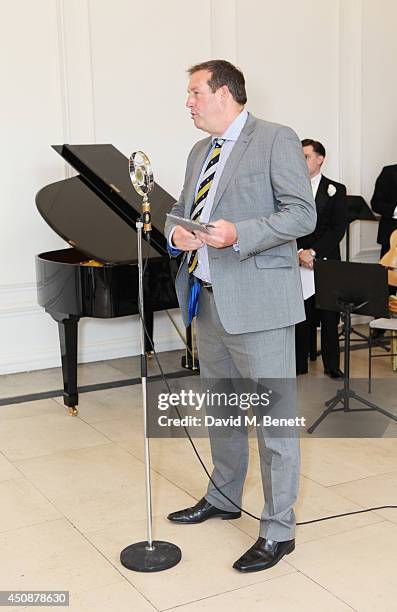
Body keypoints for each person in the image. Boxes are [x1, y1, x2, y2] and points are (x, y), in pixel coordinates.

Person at [164, 60, 316, 573]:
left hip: (262, 305)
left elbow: (302, 213)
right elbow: (183, 210)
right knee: (223, 412)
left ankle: (279, 529)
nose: (187, 102)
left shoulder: (275, 138)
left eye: (194, 92)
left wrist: (239, 234)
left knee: (274, 423)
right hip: (207, 302)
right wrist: (176, 234)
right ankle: (225, 496)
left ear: (224, 92)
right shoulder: (197, 151)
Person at [295, 139, 347, 378]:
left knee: (328, 315)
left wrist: (313, 252)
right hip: (297, 259)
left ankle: (332, 366)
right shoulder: (290, 186)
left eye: (305, 156)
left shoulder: (336, 189)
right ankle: (298, 364)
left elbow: (337, 229)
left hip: (325, 261)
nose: (301, 159)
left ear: (320, 159)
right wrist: (298, 253)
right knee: (299, 315)